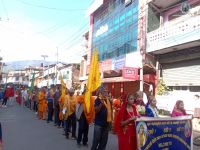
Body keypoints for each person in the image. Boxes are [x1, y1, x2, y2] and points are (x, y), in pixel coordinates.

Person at [91, 86, 112, 150]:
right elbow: (96, 111)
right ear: (101, 92)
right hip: (99, 124)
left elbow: (110, 112)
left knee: (104, 142)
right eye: (105, 92)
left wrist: (111, 123)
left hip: (106, 124)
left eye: (107, 92)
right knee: (96, 141)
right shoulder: (98, 100)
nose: (106, 93)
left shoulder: (108, 100)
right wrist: (101, 104)